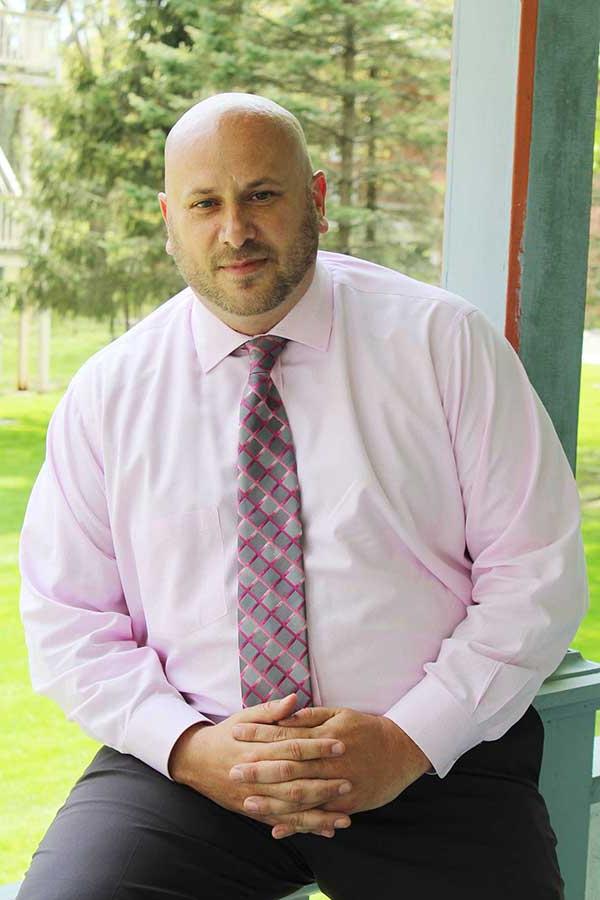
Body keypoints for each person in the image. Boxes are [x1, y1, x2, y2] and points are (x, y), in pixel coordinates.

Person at [17, 92, 588, 899]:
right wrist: (184, 745)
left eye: (262, 195)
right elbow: (67, 617)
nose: (235, 230)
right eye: (205, 204)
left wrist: (408, 740)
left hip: (430, 759)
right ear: (167, 218)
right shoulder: (110, 393)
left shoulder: (442, 345)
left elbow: (536, 575)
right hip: (199, 766)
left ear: (315, 198)